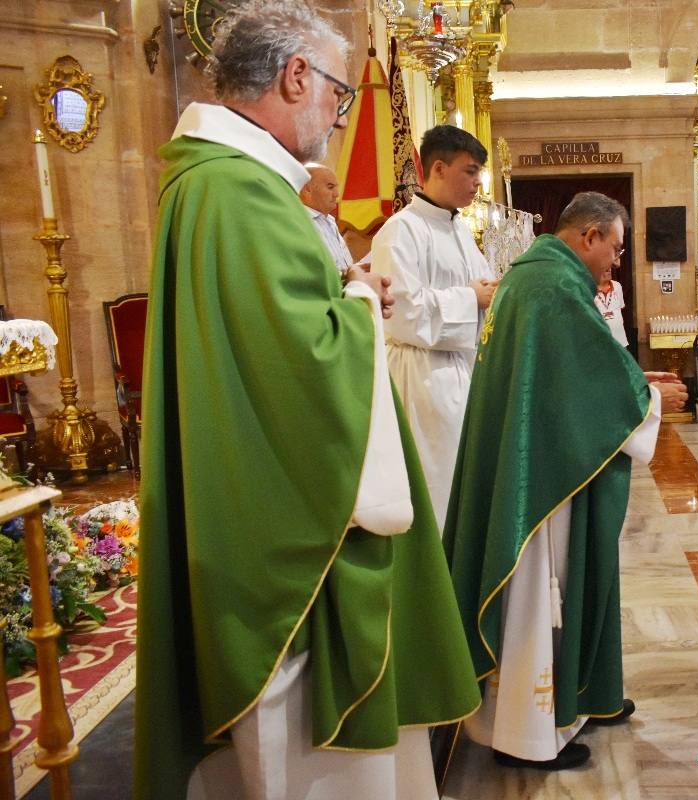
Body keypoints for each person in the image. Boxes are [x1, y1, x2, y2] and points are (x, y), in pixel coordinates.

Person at [134, 3, 480, 798]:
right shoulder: (241, 193)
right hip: (286, 533)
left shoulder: (218, 183)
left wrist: (347, 289)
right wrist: (359, 304)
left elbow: (275, 331)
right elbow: (309, 360)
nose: (336, 115)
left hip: (251, 485)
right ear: (295, 76)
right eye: (336, 92)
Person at [444, 192, 688, 771]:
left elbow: (579, 364)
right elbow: (583, 382)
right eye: (616, 248)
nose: (617, 262)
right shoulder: (553, 287)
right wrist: (650, 398)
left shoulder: (538, 275)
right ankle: (526, 737)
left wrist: (633, 376)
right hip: (541, 479)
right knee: (538, 594)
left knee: (560, 588)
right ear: (589, 237)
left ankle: (578, 699)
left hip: (540, 458)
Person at [370, 125, 497, 531]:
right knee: (435, 486)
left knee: (463, 483)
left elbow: (481, 288)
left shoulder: (458, 227)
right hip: (422, 377)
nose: (478, 182)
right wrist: (470, 297)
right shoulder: (401, 230)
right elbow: (401, 312)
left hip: (461, 369)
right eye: (471, 171)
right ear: (438, 168)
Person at [299, 162, 354, 275]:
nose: (337, 194)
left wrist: (357, 270)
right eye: (330, 187)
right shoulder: (298, 221)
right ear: (307, 189)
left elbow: (344, 265)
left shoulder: (330, 221)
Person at [594, 263, 629, 346]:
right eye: (606, 269)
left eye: (609, 269)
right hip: (599, 341)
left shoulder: (617, 286)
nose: (609, 270)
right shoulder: (589, 288)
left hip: (620, 340)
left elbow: (621, 307)